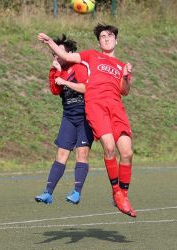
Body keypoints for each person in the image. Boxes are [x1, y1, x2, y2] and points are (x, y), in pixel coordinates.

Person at [38, 24, 136, 217]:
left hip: (116, 106)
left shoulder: (120, 65)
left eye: (109, 36)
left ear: (116, 40)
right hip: (96, 105)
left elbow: (124, 91)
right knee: (109, 148)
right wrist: (50, 42)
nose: (106, 39)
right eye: (102, 36)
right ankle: (116, 192)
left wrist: (125, 76)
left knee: (127, 152)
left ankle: (123, 196)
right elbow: (66, 56)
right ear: (98, 41)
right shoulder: (91, 55)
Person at [35, 34, 94, 206]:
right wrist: (57, 73)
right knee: (61, 154)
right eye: (54, 53)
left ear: (69, 53)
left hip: (84, 116)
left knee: (81, 153)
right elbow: (55, 90)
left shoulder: (78, 67)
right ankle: (48, 192)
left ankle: (76, 192)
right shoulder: (55, 70)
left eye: (60, 52)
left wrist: (65, 82)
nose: (56, 56)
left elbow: (86, 88)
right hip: (68, 116)